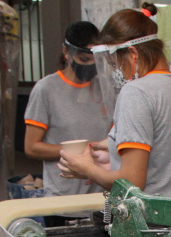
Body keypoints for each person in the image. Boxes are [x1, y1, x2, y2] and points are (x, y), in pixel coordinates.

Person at [58, 3, 171, 237]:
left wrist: (85, 170)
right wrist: (111, 152)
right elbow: (168, 156)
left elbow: (132, 182)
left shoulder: (136, 92)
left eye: (116, 63)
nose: (118, 72)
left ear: (133, 53)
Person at [23, 21, 110, 225]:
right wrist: (79, 152)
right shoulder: (46, 89)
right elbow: (32, 147)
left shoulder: (105, 89)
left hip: (101, 201)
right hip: (63, 204)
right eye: (83, 58)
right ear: (66, 52)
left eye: (95, 59)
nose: (89, 65)